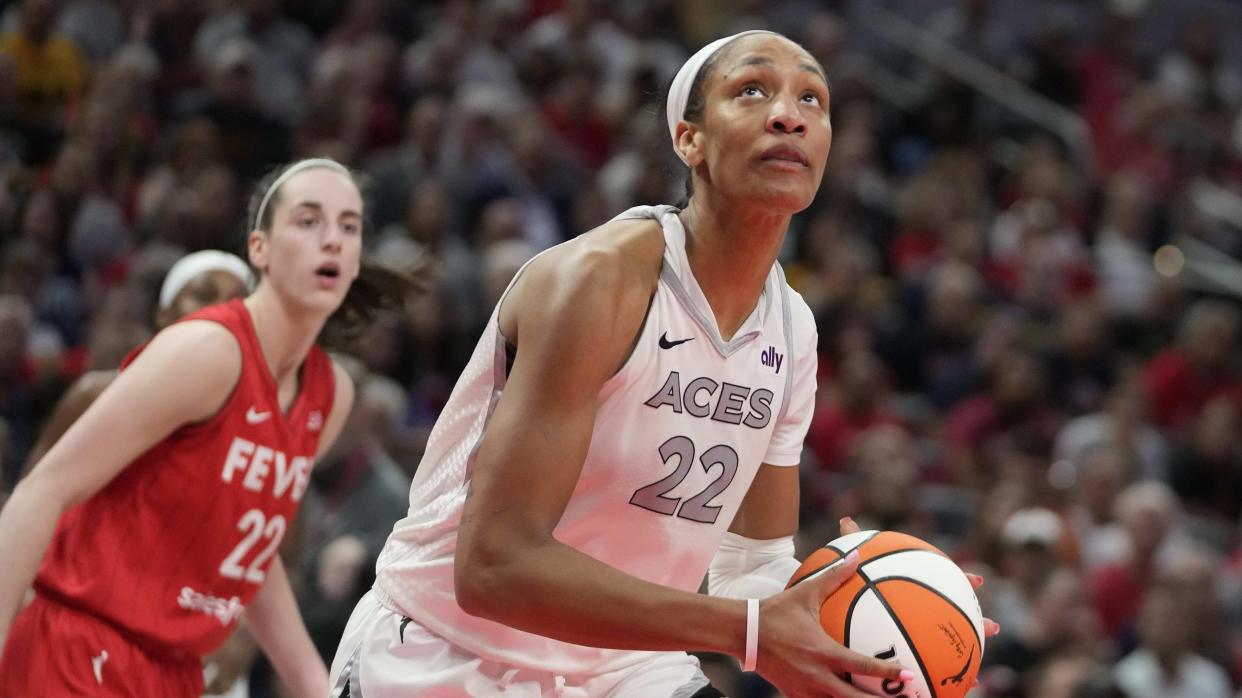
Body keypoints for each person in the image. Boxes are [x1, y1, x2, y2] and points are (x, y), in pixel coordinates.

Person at [331, 31, 995, 697]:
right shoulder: (599, 281)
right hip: (448, 648)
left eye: (813, 99)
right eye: (752, 90)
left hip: (624, 667)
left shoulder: (792, 330)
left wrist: (882, 599)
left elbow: (752, 562)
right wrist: (747, 630)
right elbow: (494, 569)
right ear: (689, 140)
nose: (789, 113)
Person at [0, 156, 403, 697]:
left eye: (348, 227)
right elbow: (40, 491)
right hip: (79, 652)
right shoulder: (209, 351)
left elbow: (248, 552)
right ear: (259, 248)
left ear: (356, 260)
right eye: (308, 221)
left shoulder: (331, 395)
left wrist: (314, 684)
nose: (331, 239)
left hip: (175, 673)